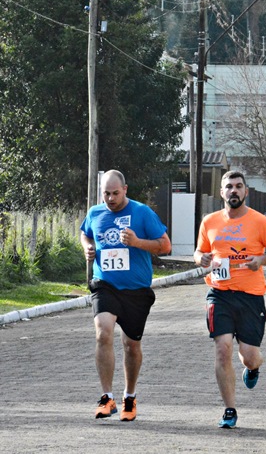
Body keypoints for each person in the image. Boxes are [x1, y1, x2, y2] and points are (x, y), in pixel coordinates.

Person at [194, 171, 266, 429]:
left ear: (245, 191)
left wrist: (261, 260)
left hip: (250, 297)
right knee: (222, 349)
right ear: (222, 192)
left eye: (238, 187)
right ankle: (229, 409)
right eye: (229, 187)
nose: (233, 191)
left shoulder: (260, 222)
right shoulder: (210, 221)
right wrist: (200, 259)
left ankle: (254, 367)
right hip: (219, 294)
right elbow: (200, 251)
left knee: (249, 356)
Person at [80, 169, 172, 422]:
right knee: (103, 332)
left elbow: (165, 245)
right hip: (105, 284)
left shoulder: (142, 213)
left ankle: (129, 397)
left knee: (131, 346)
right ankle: (106, 397)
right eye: (106, 194)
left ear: (126, 190)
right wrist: (88, 247)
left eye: (115, 193)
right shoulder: (95, 212)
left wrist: (138, 242)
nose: (110, 199)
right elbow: (85, 232)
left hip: (136, 290)